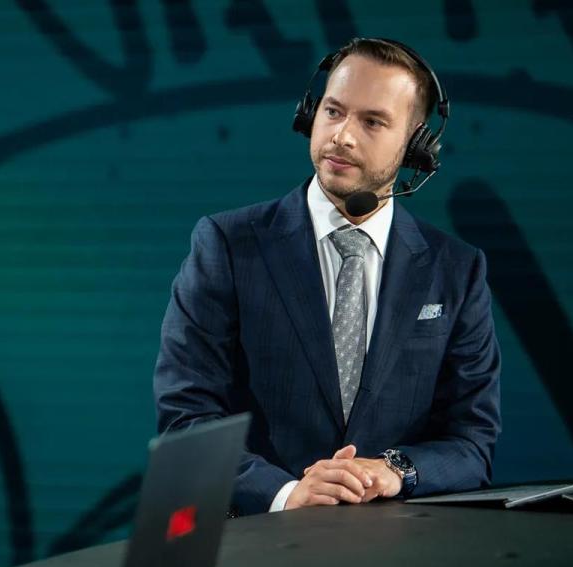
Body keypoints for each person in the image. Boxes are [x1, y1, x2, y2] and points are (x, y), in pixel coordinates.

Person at [155, 37, 500, 516]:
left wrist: (395, 471)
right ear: (309, 114)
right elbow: (184, 421)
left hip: (398, 560)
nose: (342, 135)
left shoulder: (457, 270)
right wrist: (285, 493)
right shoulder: (228, 244)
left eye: (373, 121)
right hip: (253, 546)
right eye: (333, 111)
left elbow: (472, 443)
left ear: (417, 144)